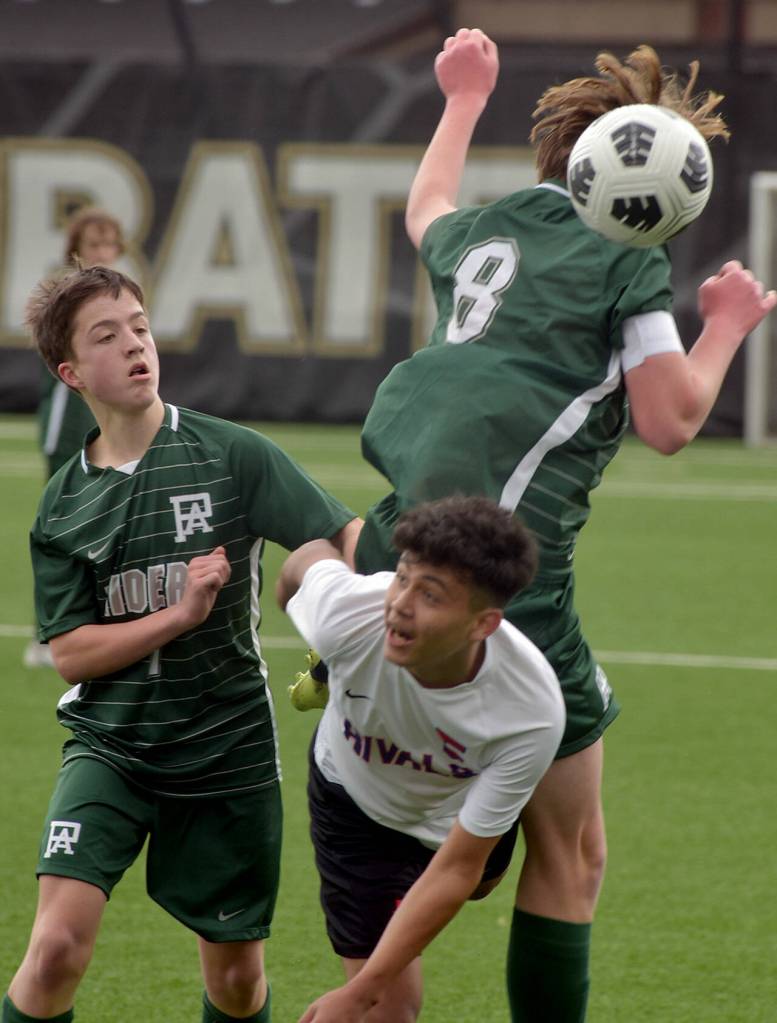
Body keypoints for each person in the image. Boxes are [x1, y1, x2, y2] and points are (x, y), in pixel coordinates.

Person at [289, 30, 777, 1022]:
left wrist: (463, 98)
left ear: (559, 155)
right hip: (507, 585)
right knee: (573, 851)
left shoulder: (492, 223)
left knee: (392, 780)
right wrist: (725, 323)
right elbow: (671, 420)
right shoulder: (627, 258)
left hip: (398, 551)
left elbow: (425, 207)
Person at [2, 265, 361, 1023]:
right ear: (71, 372)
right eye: (108, 335)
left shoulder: (231, 453)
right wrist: (177, 614)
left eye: (139, 325)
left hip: (225, 745)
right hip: (112, 743)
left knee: (234, 983)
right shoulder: (62, 502)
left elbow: (341, 536)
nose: (135, 344)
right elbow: (70, 653)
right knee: (55, 950)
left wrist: (398, 583)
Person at [277, 495, 565, 1022]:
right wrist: (360, 994)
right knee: (389, 1010)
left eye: (430, 594)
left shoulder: (531, 712)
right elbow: (306, 558)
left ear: (484, 624)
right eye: (401, 577)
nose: (401, 604)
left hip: (453, 818)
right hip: (355, 805)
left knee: (478, 883)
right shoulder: (348, 613)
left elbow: (458, 867)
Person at [24, 207, 126, 669]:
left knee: (115, 524)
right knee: (63, 529)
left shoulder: (123, 299)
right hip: (68, 428)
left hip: (111, 425)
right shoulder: (67, 298)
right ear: (76, 251)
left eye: (109, 245)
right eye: (93, 245)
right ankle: (46, 633)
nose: (102, 253)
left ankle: (106, 626)